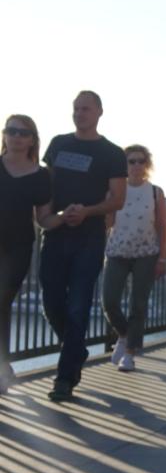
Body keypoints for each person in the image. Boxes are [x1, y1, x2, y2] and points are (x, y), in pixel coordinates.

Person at [42, 91, 128, 402]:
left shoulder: (112, 153)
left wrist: (86, 211)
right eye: (76, 109)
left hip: (89, 237)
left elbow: (118, 199)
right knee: (50, 301)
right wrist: (50, 216)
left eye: (86, 109)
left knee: (78, 306)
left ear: (99, 112)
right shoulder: (58, 144)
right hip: (55, 233)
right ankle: (76, 350)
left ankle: (65, 378)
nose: (79, 114)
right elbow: (46, 186)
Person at [0, 115, 56, 393]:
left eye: (24, 132)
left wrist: (66, 218)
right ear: (4, 135)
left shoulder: (40, 175)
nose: (17, 136)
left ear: (33, 139)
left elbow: (43, 218)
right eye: (12, 131)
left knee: (2, 302)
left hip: (18, 247)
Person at [102, 145, 166, 372]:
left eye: (141, 161)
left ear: (147, 164)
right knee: (109, 301)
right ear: (125, 164)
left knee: (137, 304)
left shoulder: (155, 192)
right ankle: (124, 334)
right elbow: (107, 224)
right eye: (131, 161)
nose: (136, 165)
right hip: (117, 252)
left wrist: (162, 258)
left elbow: (162, 226)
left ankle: (129, 354)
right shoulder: (114, 190)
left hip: (145, 254)